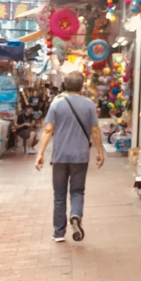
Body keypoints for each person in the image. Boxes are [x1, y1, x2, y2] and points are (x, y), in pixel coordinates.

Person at [35, 71, 104, 243]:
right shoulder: (89, 104)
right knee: (77, 191)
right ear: (82, 86)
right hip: (80, 156)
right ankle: (75, 214)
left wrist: (40, 153)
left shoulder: (56, 104)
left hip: (59, 157)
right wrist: (100, 151)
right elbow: (95, 130)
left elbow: (48, 130)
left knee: (59, 195)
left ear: (64, 85)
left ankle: (58, 233)